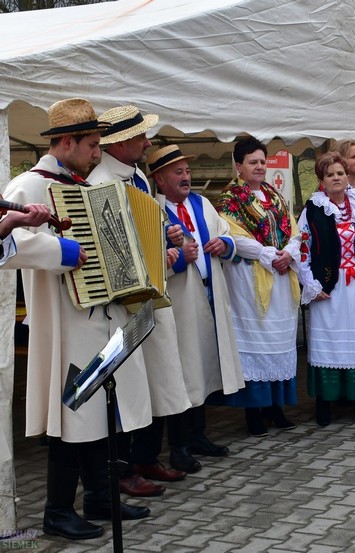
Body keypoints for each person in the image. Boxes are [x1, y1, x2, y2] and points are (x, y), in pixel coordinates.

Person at [2, 98, 151, 540]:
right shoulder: (26, 185)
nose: (96, 154)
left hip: (100, 316)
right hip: (64, 321)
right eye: (91, 145)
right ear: (66, 142)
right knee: (70, 414)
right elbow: (7, 243)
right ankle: (56, 510)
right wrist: (59, 251)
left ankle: (100, 497)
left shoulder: (81, 184)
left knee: (98, 413)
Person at [88, 105, 193, 494]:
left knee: (160, 375)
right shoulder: (100, 181)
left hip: (151, 292)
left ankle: (148, 456)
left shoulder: (135, 177)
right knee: (130, 383)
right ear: (120, 142)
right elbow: (110, 245)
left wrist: (167, 240)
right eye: (140, 137)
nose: (147, 143)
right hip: (124, 301)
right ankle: (124, 467)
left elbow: (149, 224)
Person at [148, 144, 246, 468]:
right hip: (177, 300)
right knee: (182, 369)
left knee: (202, 364)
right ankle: (178, 445)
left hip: (208, 294)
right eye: (178, 172)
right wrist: (178, 263)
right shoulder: (153, 210)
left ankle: (197, 434)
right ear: (160, 180)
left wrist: (225, 244)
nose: (186, 177)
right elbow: (149, 262)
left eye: (187, 171)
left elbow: (227, 234)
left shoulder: (202, 203)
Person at [215, 137, 300, 436]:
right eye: (253, 162)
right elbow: (231, 236)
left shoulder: (274, 196)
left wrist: (289, 251)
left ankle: (275, 407)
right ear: (239, 166)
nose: (260, 167)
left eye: (262, 161)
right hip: (249, 280)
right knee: (254, 341)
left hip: (279, 276)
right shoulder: (231, 198)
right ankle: (254, 411)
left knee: (278, 342)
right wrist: (265, 253)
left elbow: (295, 229)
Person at [297, 152, 355, 426]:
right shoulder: (313, 209)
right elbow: (302, 249)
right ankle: (325, 403)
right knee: (330, 343)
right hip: (329, 289)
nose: (336, 178)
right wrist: (312, 285)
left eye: (340, 173)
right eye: (330, 174)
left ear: (347, 177)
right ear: (321, 180)